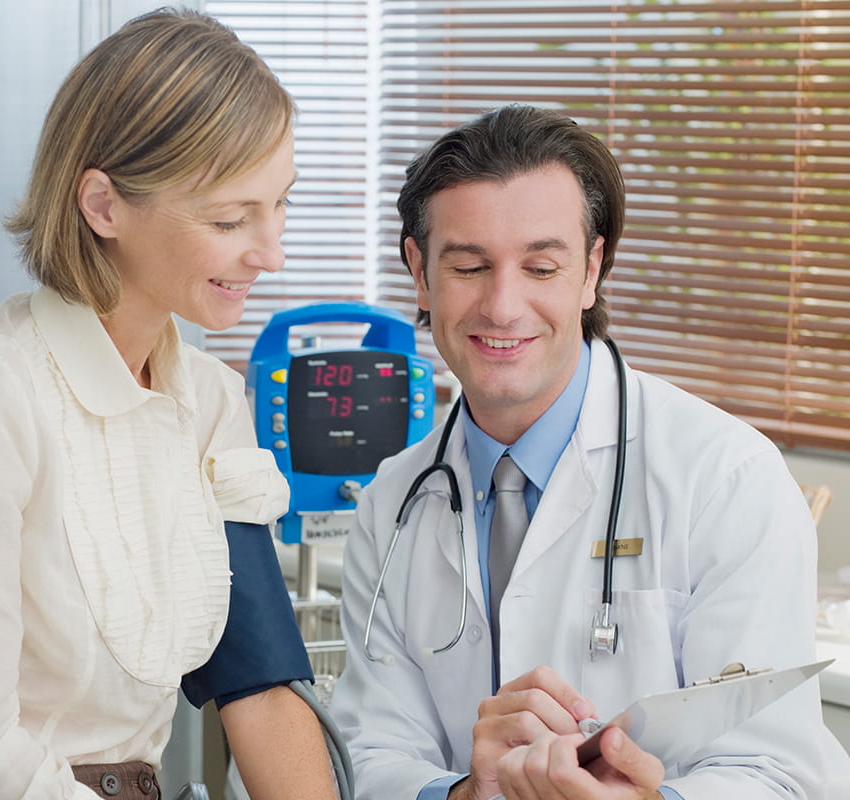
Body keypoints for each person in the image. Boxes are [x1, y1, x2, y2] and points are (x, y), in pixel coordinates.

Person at [0, 9, 335, 800]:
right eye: (231, 218)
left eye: (281, 204)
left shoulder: (207, 401)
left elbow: (260, 687)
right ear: (103, 206)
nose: (270, 253)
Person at [327, 104, 850, 800]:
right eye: (470, 266)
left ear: (592, 269)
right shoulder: (392, 501)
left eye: (541, 267)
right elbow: (369, 753)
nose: (503, 306)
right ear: (420, 273)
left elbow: (778, 772)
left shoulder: (727, 478)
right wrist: (462, 793)